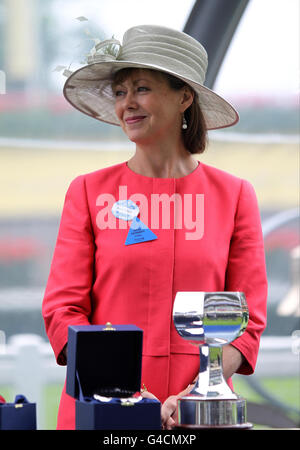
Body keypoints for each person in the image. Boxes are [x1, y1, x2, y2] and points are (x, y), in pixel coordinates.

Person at [42, 24, 268, 430]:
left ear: (184, 96)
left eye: (141, 88)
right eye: (119, 92)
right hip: (103, 411)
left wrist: (195, 395)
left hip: (200, 417)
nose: (127, 104)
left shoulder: (235, 196)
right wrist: (125, 392)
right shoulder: (88, 192)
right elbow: (64, 311)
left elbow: (247, 323)